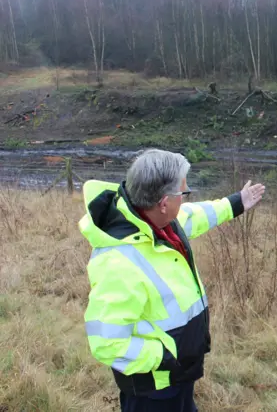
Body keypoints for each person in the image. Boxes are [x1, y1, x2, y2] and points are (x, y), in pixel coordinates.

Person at [78, 149, 265, 412]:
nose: (186, 199)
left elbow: (198, 214)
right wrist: (166, 356)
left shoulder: (158, 222)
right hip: (154, 390)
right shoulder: (119, 262)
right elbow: (107, 343)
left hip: (177, 377)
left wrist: (237, 202)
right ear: (164, 202)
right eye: (184, 193)